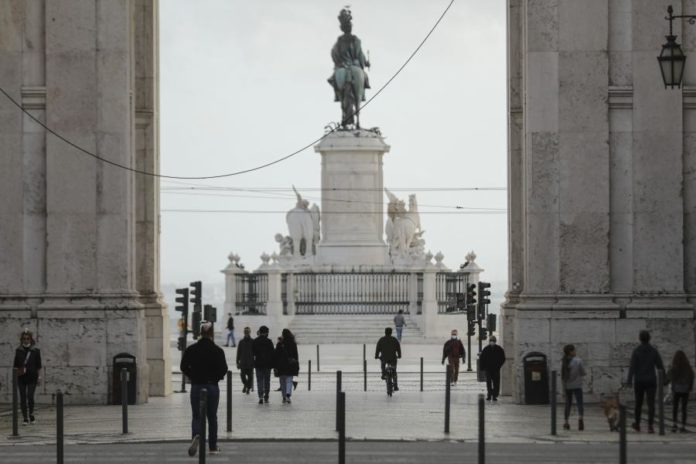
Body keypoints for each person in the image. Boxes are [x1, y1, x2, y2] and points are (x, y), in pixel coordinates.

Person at [180, 322, 228, 456]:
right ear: (211, 334)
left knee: (196, 415)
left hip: (196, 386)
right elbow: (224, 369)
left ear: (200, 333)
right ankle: (212, 447)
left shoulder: (191, 349)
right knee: (212, 417)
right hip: (212, 386)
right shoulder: (218, 350)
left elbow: (183, 366)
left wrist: (193, 376)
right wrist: (216, 378)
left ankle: (196, 434)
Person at [626, 330, 664, 433]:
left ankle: (637, 424)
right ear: (649, 338)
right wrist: (664, 379)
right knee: (651, 404)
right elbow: (660, 366)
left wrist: (629, 381)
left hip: (639, 380)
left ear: (640, 339)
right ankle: (650, 426)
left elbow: (632, 367)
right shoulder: (653, 351)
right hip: (651, 380)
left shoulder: (636, 351)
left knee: (638, 403)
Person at [13, 329, 42, 425]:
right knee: (22, 398)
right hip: (21, 377)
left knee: (30, 396)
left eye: (28, 338)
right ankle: (25, 418)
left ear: (31, 339)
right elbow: (15, 365)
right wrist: (15, 376)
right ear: (22, 339)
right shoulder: (18, 351)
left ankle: (31, 414)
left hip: (32, 377)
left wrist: (39, 377)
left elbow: (38, 365)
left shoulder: (36, 351)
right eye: (24, 338)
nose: (26, 340)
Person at [666, 350, 694, 432]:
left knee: (675, 407)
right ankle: (683, 426)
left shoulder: (674, 367)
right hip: (685, 389)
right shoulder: (688, 367)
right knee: (684, 408)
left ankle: (674, 425)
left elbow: (669, 377)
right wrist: (690, 387)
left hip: (676, 389)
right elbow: (692, 376)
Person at [560, 344, 586, 431]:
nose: (575, 351)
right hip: (577, 385)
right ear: (570, 352)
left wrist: (563, 390)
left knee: (568, 404)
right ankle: (580, 419)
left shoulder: (564, 361)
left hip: (567, 386)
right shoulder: (578, 361)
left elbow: (563, 377)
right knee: (579, 403)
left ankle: (566, 422)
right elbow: (583, 372)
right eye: (574, 350)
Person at [274, 329, 300, 404]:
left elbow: (276, 355)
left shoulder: (280, 343)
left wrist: (275, 365)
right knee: (289, 380)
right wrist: (296, 364)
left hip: (281, 365)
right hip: (290, 364)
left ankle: (284, 396)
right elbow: (296, 355)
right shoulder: (293, 343)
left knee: (282, 381)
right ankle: (288, 395)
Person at [252, 325, 275, 404]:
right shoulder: (269, 341)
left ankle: (260, 396)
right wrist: (273, 365)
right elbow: (272, 354)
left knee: (259, 381)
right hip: (268, 364)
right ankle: (266, 396)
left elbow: (253, 352)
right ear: (266, 333)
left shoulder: (255, 341)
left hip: (258, 364)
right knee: (267, 381)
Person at [479, 335, 506, 401]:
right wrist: (483, 367)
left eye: (493, 341)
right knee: (488, 382)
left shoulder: (499, 349)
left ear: (495, 341)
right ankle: (489, 394)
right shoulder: (486, 349)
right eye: (491, 341)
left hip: (496, 369)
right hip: (488, 369)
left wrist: (499, 365)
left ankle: (494, 395)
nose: (492, 342)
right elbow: (482, 359)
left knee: (496, 383)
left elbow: (503, 358)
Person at [236, 327, 254, 394]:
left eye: (247, 331)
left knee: (250, 377)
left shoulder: (253, 341)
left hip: (250, 362)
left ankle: (248, 388)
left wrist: (255, 361)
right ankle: (246, 385)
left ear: (249, 332)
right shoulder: (241, 342)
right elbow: (238, 352)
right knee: (242, 376)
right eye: (245, 332)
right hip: (243, 362)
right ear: (244, 332)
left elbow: (255, 352)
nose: (246, 333)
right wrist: (237, 362)